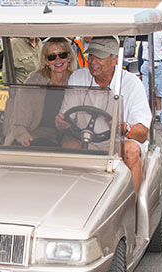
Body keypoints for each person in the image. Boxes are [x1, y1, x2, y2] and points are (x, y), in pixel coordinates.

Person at [55, 36, 152, 199]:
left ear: (115, 60)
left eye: (99, 56)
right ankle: (69, 203)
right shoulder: (78, 77)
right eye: (91, 55)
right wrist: (62, 123)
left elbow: (142, 134)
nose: (93, 61)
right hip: (87, 141)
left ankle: (133, 210)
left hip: (118, 143)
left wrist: (124, 128)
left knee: (131, 150)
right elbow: (65, 117)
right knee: (67, 145)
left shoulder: (132, 84)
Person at [6, 38, 77, 146]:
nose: (58, 60)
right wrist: (24, 137)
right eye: (52, 57)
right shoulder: (34, 82)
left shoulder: (76, 80)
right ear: (46, 61)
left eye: (62, 55)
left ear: (69, 57)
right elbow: (18, 122)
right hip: (35, 135)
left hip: (67, 137)